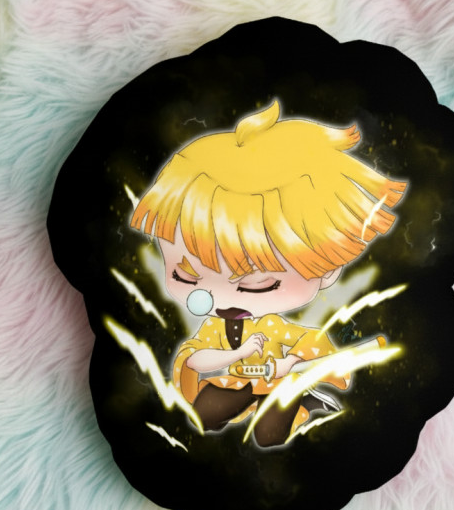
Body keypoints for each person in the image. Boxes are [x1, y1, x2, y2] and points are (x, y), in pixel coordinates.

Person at [131, 100, 406, 446]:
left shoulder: (279, 328)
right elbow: (195, 359)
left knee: (269, 435)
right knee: (203, 416)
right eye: (184, 276)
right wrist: (237, 354)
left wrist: (291, 362)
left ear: (329, 269)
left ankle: (305, 401)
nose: (219, 299)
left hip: (280, 385)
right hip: (237, 382)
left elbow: (313, 346)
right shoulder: (217, 328)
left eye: (257, 285)